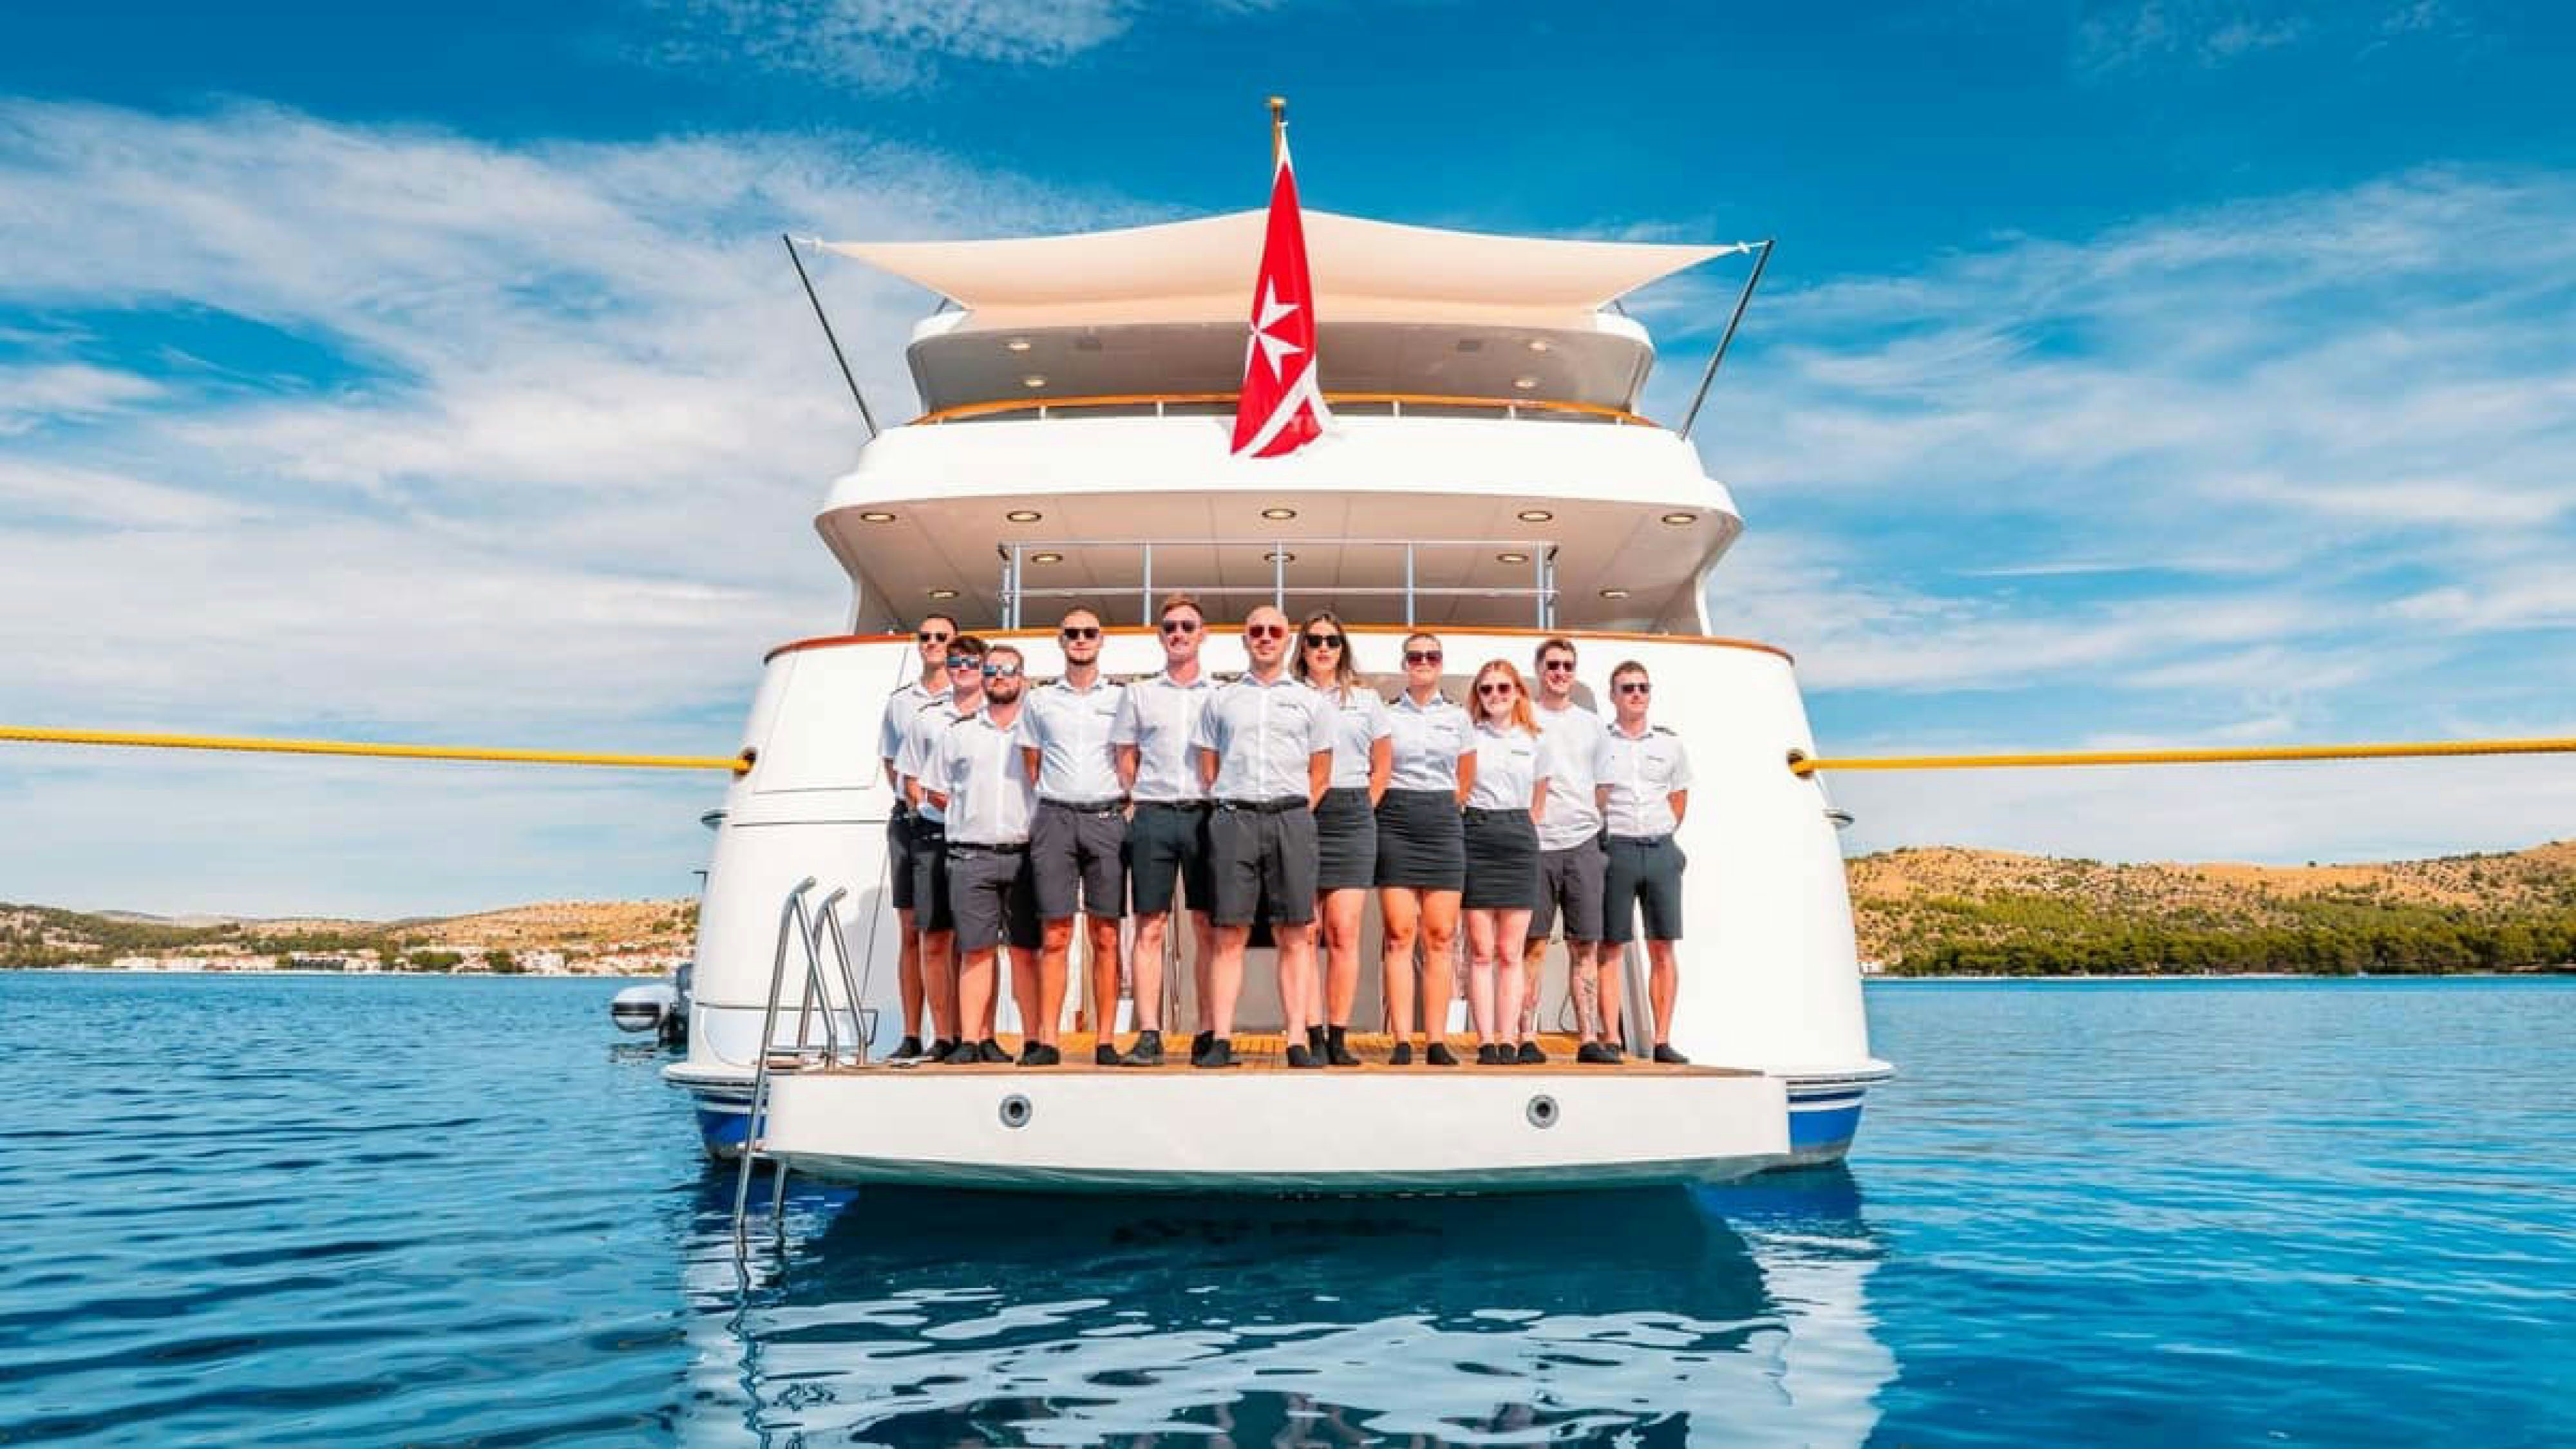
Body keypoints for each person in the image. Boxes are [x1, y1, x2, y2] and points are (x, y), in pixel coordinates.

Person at [1191, 604, 1334, 1069]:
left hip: (1291, 817)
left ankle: (1296, 1039)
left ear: (1287, 639)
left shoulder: (1312, 701)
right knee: (1228, 933)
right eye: (1258, 631)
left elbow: (1321, 773)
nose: (1266, 638)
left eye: (1275, 631)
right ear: (1245, 638)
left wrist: (1289, 812)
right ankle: (1222, 1039)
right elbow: (1208, 767)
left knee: (1295, 933)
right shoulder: (1221, 699)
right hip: (1235, 819)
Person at [1019, 608, 1130, 1065]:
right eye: (1073, 633)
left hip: (1106, 818)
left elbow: (1129, 755)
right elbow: (1032, 764)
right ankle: (1048, 1040)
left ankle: (1105, 1041)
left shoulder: (1123, 698)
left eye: (1089, 633)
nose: (1081, 639)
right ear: (1060, 641)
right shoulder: (1040, 701)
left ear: (1101, 641)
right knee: (1057, 934)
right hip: (1056, 818)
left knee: (1106, 934)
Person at [1110, 592, 1215, 1067]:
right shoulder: (1138, 694)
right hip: (1152, 814)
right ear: (1160, 636)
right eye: (1170, 627)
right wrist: (1137, 796)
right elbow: (1125, 754)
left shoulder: (1221, 694)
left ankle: (1209, 1030)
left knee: (1208, 928)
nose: (1178, 634)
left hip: (1206, 815)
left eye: (1187, 627)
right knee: (1149, 926)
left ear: (1202, 634)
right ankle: (1150, 1032)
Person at [925, 645, 1044, 1065]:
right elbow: (935, 791)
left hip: (1025, 854)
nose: (998, 677)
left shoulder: (1037, 734)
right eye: (991, 670)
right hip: (970, 856)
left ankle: (1033, 1040)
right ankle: (972, 1041)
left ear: (1022, 677)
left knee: (1025, 953)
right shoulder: (958, 733)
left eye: (1008, 670)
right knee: (975, 951)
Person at [1294, 610, 1389, 1068]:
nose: (1324, 648)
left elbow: (1383, 766)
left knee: (1344, 931)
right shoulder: (1290, 696)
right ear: (1304, 648)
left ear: (1342, 647)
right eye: (1314, 641)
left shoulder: (1368, 701)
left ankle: (1338, 1034)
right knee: (1305, 931)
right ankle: (1311, 1033)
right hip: (1302, 809)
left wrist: (1363, 806)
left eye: (1332, 640)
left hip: (1352, 811)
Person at [1520, 636, 1620, 1064]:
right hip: (1537, 843)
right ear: (1540, 669)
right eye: (1553, 665)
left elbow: (1604, 784)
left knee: (1585, 945)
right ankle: (1526, 1036)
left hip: (1582, 843)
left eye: (1567, 666)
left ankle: (1588, 1039)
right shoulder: (1525, 720)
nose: (1560, 672)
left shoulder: (1592, 725)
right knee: (1533, 944)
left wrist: (1583, 817)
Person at [1376, 632, 1473, 1066]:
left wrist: (1442, 809)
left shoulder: (1458, 719)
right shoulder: (1386, 715)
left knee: (1440, 935)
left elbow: (1465, 779)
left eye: (1431, 656)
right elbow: (1378, 767)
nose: (1423, 662)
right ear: (1405, 664)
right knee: (1399, 933)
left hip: (1441, 819)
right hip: (1396, 819)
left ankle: (1436, 1040)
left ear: (1440, 664)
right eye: (1415, 656)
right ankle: (1401, 1038)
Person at [1595, 661, 1694, 1065]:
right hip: (1615, 848)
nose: (1636, 694)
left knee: (1663, 946)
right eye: (1627, 688)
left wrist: (1667, 827)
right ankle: (1610, 1038)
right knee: (1611, 946)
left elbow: (1679, 795)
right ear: (1613, 695)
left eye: (1642, 688)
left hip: (1659, 850)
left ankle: (1662, 1039)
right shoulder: (1600, 743)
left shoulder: (1670, 745)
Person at [895, 634, 987, 1061]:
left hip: (984, 841)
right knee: (934, 939)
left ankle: (981, 1036)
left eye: (970, 661)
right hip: (934, 837)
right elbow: (910, 779)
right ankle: (945, 1036)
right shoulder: (927, 719)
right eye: (956, 661)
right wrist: (937, 802)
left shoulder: (1002, 716)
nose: (962, 667)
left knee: (980, 944)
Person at [875, 612, 955, 1061]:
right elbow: (892, 761)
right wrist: (912, 799)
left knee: (956, 932)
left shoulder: (970, 697)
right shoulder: (900, 702)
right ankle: (912, 1033)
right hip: (910, 823)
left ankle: (956, 1034)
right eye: (925, 637)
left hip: (957, 826)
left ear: (954, 642)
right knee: (911, 930)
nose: (932, 644)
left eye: (941, 637)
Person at [1461, 660, 1549, 1065]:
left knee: (1512, 951)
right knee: (1480, 950)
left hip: (1517, 837)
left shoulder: (1535, 741)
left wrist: (1518, 826)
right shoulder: (1468, 736)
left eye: (1502, 688)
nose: (1494, 696)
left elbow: (1539, 801)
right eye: (1486, 689)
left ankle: (1510, 1039)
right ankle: (1486, 1042)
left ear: (1517, 693)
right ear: (1478, 695)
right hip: (1476, 834)